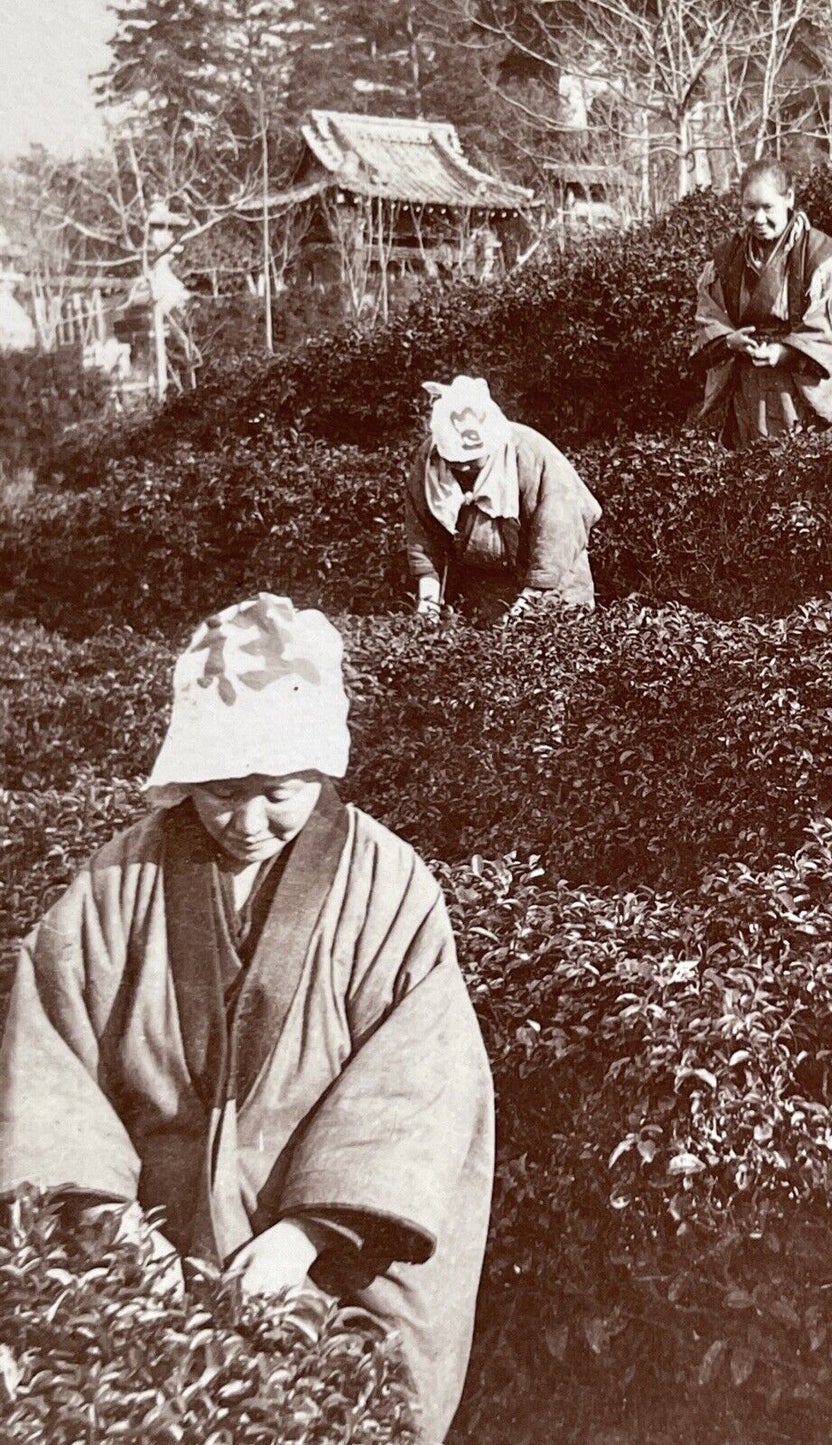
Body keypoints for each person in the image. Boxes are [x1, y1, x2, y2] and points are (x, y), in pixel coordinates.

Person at [0, 594, 493, 1444]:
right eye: (221, 791)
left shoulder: (388, 883)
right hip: (145, 1232)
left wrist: (299, 1239)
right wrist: (115, 1230)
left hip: (335, 1243)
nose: (247, 820)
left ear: (321, 770)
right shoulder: (120, 879)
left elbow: (421, 1078)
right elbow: (53, 1054)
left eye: (277, 792)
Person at [693, 158, 832, 448]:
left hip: (801, 391)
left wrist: (784, 351)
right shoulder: (728, 258)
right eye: (749, 207)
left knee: (808, 474)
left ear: (789, 198)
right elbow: (709, 314)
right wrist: (730, 340)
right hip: (749, 394)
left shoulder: (819, 255)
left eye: (768, 207)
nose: (758, 218)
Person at [406, 373, 602, 619]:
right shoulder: (431, 459)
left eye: (472, 461)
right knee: (491, 646)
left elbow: (558, 529)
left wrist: (530, 599)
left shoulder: (531, 452)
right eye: (455, 462)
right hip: (487, 582)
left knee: (551, 638)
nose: (464, 468)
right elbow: (422, 530)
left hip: (555, 576)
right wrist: (428, 600)